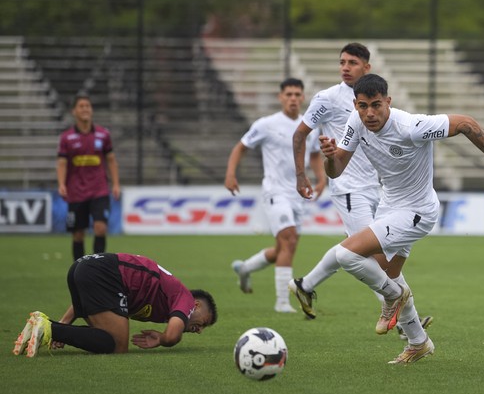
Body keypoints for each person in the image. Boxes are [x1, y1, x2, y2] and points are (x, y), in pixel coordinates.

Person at [293, 73, 484, 364]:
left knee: (346, 254)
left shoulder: (411, 126)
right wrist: (330, 157)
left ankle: (393, 296)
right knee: (389, 273)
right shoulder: (356, 122)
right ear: (355, 105)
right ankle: (418, 342)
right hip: (390, 206)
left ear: (388, 101)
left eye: (376, 105)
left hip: (417, 212)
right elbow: (336, 171)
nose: (369, 113)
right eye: (363, 106)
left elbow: (466, 123)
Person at [290, 42, 432, 337]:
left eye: (352, 62)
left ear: (367, 67)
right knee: (373, 257)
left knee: (366, 252)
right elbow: (301, 133)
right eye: (342, 61)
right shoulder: (326, 98)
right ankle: (408, 327)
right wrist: (302, 174)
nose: (345, 67)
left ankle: (305, 284)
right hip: (348, 186)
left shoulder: (374, 97)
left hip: (378, 187)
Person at [226, 78, 326, 313]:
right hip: (275, 191)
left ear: (303, 98)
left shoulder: (309, 126)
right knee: (289, 240)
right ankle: (282, 302)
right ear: (281, 97)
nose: (293, 98)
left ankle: (246, 268)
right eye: (288, 94)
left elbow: (313, 154)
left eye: (297, 94)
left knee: (284, 248)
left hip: (298, 194)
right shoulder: (266, 124)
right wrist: (231, 173)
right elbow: (240, 147)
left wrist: (322, 178)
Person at [12, 252, 217, 357]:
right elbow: (173, 336)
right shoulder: (185, 299)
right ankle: (49, 328)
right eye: (203, 323)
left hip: (84, 267)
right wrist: (162, 339)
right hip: (103, 272)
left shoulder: (168, 301)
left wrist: (66, 323)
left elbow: (91, 300)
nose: (199, 330)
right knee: (117, 345)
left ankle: (47, 326)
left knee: (105, 336)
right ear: (196, 305)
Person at [57, 91, 120, 261]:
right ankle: (78, 269)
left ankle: (97, 268)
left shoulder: (103, 134)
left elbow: (111, 160)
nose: (85, 109)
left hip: (99, 190)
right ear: (74, 111)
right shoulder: (67, 137)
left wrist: (115, 184)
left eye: (87, 106)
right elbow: (62, 163)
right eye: (81, 106)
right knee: (78, 234)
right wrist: (61, 183)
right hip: (76, 192)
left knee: (100, 228)